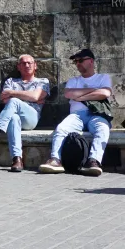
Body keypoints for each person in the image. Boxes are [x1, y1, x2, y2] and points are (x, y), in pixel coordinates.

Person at [39, 48, 112, 177]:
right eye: (76, 61)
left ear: (91, 61)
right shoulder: (74, 80)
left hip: (97, 114)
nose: (78, 63)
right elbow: (68, 94)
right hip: (76, 116)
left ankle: (93, 161)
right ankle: (55, 160)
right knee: (61, 128)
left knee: (103, 129)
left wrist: (80, 96)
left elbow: (105, 93)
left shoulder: (103, 77)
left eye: (81, 60)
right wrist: (94, 91)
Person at [0, 55, 49, 172]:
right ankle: (17, 159)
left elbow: (36, 96)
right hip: (14, 117)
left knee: (14, 101)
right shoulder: (11, 81)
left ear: (35, 65)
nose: (27, 65)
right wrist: (29, 97)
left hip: (31, 118)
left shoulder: (42, 81)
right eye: (23, 63)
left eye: (29, 63)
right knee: (14, 117)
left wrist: (13, 93)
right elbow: (5, 100)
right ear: (18, 67)